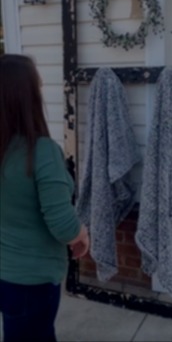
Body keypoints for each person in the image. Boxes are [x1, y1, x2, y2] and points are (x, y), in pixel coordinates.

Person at [0, 54, 90, 342]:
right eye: (37, 86)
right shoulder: (42, 152)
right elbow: (63, 225)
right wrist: (81, 233)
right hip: (32, 278)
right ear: (26, 97)